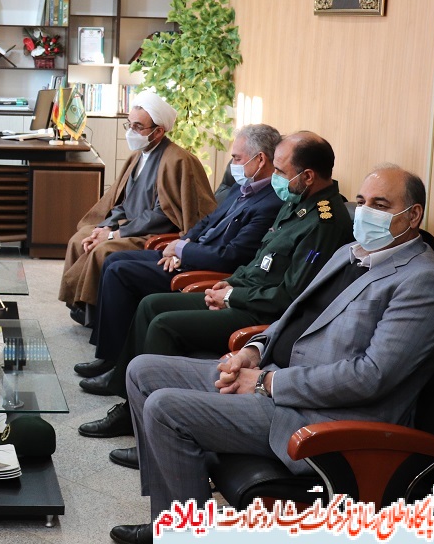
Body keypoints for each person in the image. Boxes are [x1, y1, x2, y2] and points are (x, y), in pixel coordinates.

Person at [110, 165, 434, 544]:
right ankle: (171, 519)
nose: (366, 212)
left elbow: (370, 377)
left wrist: (266, 382)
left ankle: (185, 535)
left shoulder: (422, 282)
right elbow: (294, 316)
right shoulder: (350, 253)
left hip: (320, 417)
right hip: (274, 376)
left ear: (413, 215)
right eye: (361, 202)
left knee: (165, 409)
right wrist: (253, 351)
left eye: (380, 204)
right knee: (142, 371)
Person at [80, 132, 353, 443]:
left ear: (308, 176)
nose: (275, 176)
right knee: (150, 304)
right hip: (244, 295)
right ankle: (127, 399)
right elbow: (260, 260)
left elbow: (291, 296)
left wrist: (232, 295)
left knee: (164, 324)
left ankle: (148, 425)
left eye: (280, 170)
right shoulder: (297, 202)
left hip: (261, 314)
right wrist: (230, 282)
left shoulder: (325, 222)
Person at [75, 124, 282, 386]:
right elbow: (206, 222)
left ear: (260, 159)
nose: (233, 165)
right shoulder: (241, 189)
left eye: (237, 158)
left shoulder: (270, 202)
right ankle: (109, 356)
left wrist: (185, 252)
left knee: (120, 271)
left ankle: (117, 365)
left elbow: (230, 256)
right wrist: (180, 244)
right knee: (113, 260)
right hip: (187, 256)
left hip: (204, 269)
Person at [58, 91, 216, 321]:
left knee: (102, 251)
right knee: (80, 238)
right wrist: (104, 227)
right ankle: (80, 306)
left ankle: (97, 315)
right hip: (128, 226)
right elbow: (122, 202)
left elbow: (163, 214)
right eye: (129, 124)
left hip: (152, 234)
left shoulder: (177, 160)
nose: (131, 131)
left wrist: (113, 235)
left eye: (138, 127)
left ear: (158, 131)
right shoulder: (138, 156)